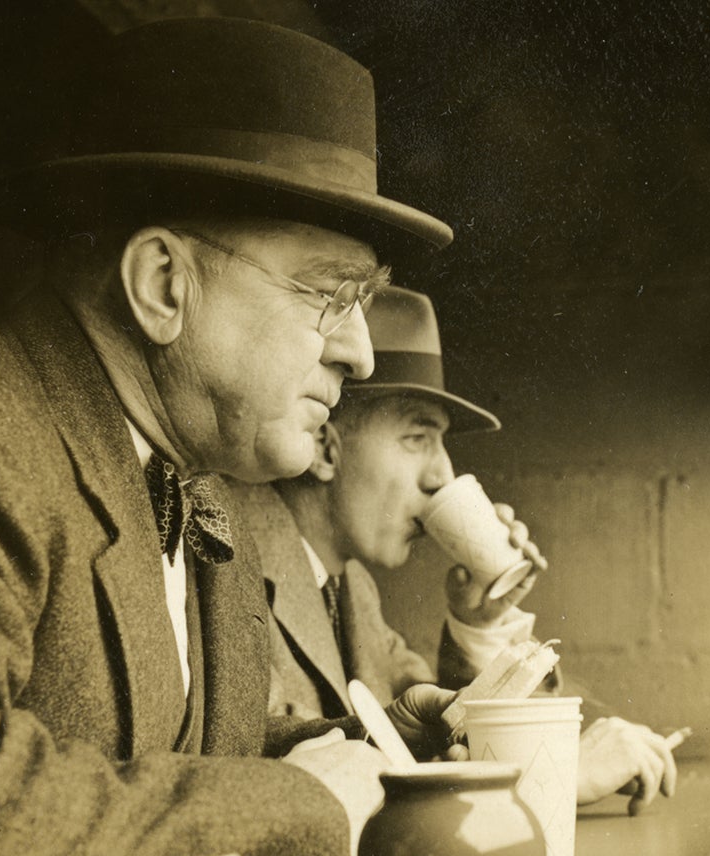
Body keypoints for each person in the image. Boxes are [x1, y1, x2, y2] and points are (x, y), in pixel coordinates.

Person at [0, 18, 458, 856]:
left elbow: (170, 754)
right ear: (163, 284)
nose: (359, 354)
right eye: (331, 295)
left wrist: (383, 752)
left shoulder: (200, 483)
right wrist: (308, 809)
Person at [235, 287, 679, 811]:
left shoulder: (351, 591)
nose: (442, 474)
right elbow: (257, 779)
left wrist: (479, 624)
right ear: (324, 447)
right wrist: (551, 778)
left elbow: (436, 735)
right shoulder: (228, 566)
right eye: (417, 438)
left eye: (442, 442)